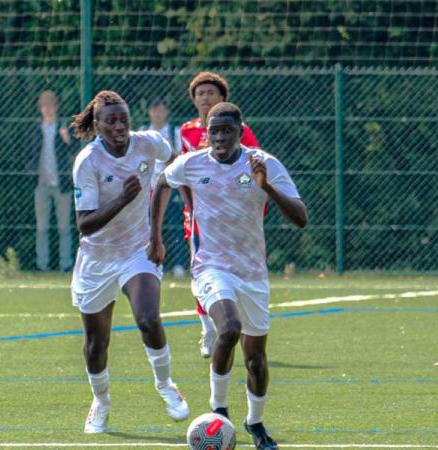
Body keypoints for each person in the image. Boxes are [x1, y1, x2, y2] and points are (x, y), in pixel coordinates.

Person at [149, 102, 308, 450]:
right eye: (213, 131)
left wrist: (267, 187)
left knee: (256, 360)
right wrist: (155, 236)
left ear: (240, 132)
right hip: (210, 267)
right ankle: (218, 410)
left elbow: (301, 217)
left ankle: (256, 423)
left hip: (252, 274)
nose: (219, 137)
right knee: (229, 327)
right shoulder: (192, 164)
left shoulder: (262, 163)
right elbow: (162, 182)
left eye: (226, 131)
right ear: (206, 133)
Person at [70, 90, 189, 433]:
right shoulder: (88, 161)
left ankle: (166, 386)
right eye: (111, 121)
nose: (120, 126)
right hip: (97, 258)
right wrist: (123, 198)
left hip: (138, 250)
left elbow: (176, 161)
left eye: (123, 119)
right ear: (97, 125)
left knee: (148, 318)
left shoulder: (149, 143)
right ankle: (101, 403)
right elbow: (85, 223)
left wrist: (166, 191)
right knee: (96, 344)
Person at [180, 71, 261, 358]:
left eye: (210, 93)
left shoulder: (240, 130)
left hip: (235, 217)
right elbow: (181, 174)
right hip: (200, 218)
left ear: (222, 97)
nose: (205, 98)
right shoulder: (186, 131)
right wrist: (191, 207)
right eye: (200, 93)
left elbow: (254, 170)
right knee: (200, 269)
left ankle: (236, 321)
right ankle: (208, 328)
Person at [26, 90, 74, 272]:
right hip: (42, 184)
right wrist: (34, 174)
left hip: (62, 184)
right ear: (40, 108)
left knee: (64, 227)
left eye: (50, 105)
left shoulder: (64, 127)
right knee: (42, 227)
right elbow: (28, 154)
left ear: (56, 107)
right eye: (43, 106)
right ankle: (42, 264)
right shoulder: (35, 130)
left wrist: (67, 139)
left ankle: (65, 264)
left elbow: (77, 150)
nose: (47, 109)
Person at [140, 98, 187, 274]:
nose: (158, 113)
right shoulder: (143, 133)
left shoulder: (175, 132)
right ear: (149, 112)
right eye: (154, 109)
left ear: (166, 112)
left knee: (176, 226)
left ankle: (179, 264)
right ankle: (149, 261)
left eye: (161, 109)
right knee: (148, 227)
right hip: (149, 188)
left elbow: (180, 157)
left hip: (171, 186)